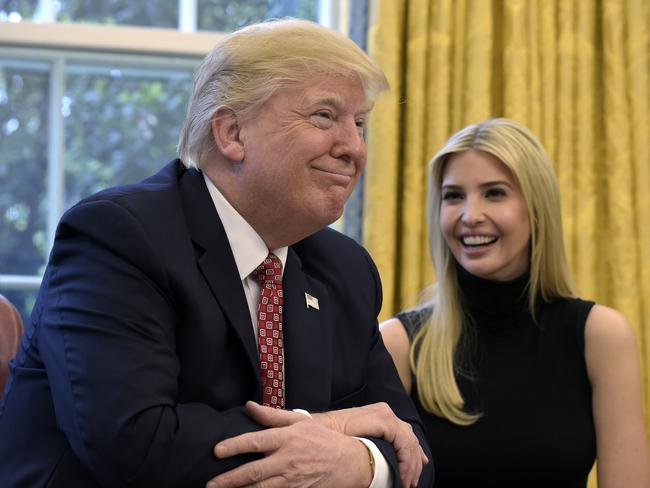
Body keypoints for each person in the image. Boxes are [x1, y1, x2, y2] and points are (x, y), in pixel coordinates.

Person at [0, 19, 433, 488]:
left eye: (360, 123)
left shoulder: (345, 269)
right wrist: (329, 432)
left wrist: (364, 464)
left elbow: (413, 450)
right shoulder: (118, 236)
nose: (353, 147)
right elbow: (134, 442)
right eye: (325, 116)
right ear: (232, 134)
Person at [380, 118, 650, 487]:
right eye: (453, 196)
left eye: (495, 193)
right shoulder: (400, 343)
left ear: (537, 208)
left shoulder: (600, 336)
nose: (470, 216)